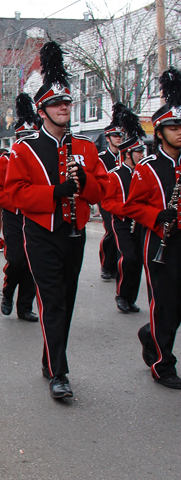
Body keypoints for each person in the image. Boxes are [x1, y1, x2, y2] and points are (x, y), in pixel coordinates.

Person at [5, 41, 108, 399]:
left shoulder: (86, 147)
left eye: (66, 103)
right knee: (52, 301)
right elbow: (14, 194)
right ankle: (60, 374)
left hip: (75, 233)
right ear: (42, 110)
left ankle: (51, 360)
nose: (63, 107)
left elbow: (103, 193)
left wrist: (85, 183)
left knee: (68, 297)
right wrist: (56, 192)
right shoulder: (24, 148)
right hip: (41, 233)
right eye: (55, 103)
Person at [124, 68, 181, 389]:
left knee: (178, 305)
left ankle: (150, 334)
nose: (179, 132)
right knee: (165, 301)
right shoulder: (147, 167)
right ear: (159, 132)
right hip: (160, 241)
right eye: (173, 127)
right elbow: (131, 206)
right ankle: (162, 364)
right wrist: (159, 215)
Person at [0, 93, 39, 322]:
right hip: (14, 216)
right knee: (17, 260)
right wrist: (18, 202)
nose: (27, 141)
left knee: (33, 261)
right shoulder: (5, 160)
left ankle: (25, 306)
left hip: (37, 216)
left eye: (31, 136)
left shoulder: (41, 159)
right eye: (23, 137)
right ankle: (8, 292)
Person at [100, 106, 146, 314]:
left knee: (138, 262)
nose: (141, 155)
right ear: (128, 154)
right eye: (138, 152)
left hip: (141, 223)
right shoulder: (115, 175)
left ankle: (131, 298)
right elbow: (107, 203)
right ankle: (121, 295)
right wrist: (127, 210)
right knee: (128, 258)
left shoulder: (144, 173)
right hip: (122, 222)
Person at [97, 107, 126, 281]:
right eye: (115, 136)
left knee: (122, 232)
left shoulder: (126, 156)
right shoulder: (102, 157)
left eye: (120, 136)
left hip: (122, 199)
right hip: (106, 198)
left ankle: (119, 264)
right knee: (111, 230)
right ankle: (107, 265)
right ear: (108, 138)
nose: (118, 138)